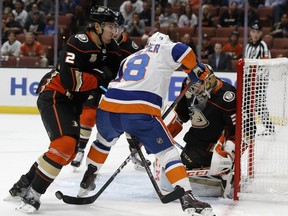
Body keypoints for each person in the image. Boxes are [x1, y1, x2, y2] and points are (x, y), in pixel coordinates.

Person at [77, 31, 216, 216]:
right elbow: (182, 50)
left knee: (102, 143)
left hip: (108, 108)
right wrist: (197, 70)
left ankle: (90, 175)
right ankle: (187, 197)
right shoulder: (165, 48)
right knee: (167, 152)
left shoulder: (132, 57)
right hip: (140, 111)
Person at [6, 5, 122, 213]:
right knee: (65, 145)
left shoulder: (110, 46)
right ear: (97, 26)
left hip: (73, 102)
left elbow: (117, 72)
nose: (114, 31)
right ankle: (33, 195)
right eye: (111, 26)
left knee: (65, 154)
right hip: (55, 93)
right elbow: (71, 82)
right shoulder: (78, 42)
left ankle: (22, 185)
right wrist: (99, 78)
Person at [70, 12, 143, 170]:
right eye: (111, 27)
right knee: (88, 115)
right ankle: (80, 150)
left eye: (118, 27)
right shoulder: (97, 41)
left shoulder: (131, 48)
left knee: (130, 116)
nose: (114, 31)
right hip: (98, 81)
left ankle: (135, 152)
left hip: (121, 86)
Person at [161, 64, 236, 198]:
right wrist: (161, 136)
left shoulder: (227, 95)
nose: (194, 89)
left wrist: (229, 152)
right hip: (195, 140)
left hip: (215, 145)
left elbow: (241, 131)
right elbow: (180, 116)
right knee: (174, 167)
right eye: (192, 84)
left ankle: (225, 174)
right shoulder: (188, 87)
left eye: (197, 85)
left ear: (209, 80)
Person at [245, 21, 275, 136]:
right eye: (253, 31)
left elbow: (266, 64)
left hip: (260, 80)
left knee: (259, 103)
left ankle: (269, 128)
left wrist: (258, 79)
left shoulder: (263, 46)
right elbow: (247, 62)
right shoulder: (248, 46)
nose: (255, 34)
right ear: (250, 32)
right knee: (247, 103)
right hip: (249, 79)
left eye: (257, 32)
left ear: (261, 33)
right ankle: (248, 126)